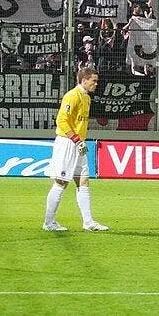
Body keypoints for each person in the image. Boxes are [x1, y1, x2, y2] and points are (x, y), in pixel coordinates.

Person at [43, 67, 108, 232]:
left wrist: (80, 141)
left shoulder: (86, 98)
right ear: (84, 80)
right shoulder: (72, 96)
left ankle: (88, 222)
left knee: (83, 181)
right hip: (67, 143)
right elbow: (62, 120)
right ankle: (49, 222)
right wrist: (76, 139)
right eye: (93, 81)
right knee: (61, 182)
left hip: (79, 144)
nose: (96, 84)